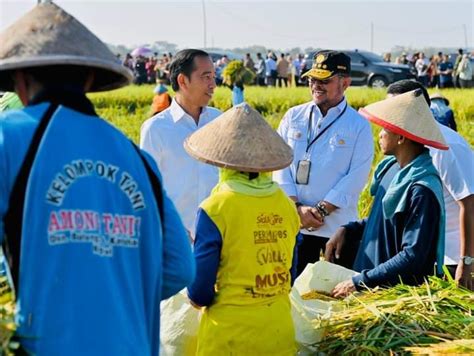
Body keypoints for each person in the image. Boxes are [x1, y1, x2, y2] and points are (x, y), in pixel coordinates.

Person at [0, 2, 194, 354]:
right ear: (88, 79)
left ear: (21, 80)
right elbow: (179, 268)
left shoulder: (8, 138)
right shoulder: (138, 159)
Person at [185, 103, 299, 356]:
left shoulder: (215, 208)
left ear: (223, 163)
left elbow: (200, 292)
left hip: (230, 337)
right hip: (278, 332)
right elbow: (290, 273)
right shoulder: (286, 205)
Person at [326, 88, 448, 298]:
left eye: (385, 128)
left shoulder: (421, 189)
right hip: (370, 291)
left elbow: (413, 255)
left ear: (400, 137)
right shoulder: (391, 170)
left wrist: (362, 281)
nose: (379, 134)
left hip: (394, 298)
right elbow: (383, 222)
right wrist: (349, 229)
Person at [274, 50, 374, 275]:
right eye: (312, 79)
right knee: (292, 292)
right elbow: (279, 164)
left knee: (333, 297)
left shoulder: (358, 125)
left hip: (336, 228)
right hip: (295, 224)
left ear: (345, 83)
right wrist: (297, 209)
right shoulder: (293, 116)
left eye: (324, 80)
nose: (316, 85)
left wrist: (320, 211)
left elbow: (356, 177)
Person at [389, 81, 473, 290]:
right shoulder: (417, 143)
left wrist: (467, 262)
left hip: (454, 260)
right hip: (435, 256)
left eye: (392, 111)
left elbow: (470, 204)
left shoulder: (445, 145)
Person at [140, 49, 221, 237]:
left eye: (213, 77)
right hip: (176, 237)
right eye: (206, 77)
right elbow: (148, 188)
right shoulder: (156, 129)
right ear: (182, 81)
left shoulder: (219, 121)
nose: (213, 85)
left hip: (219, 237)